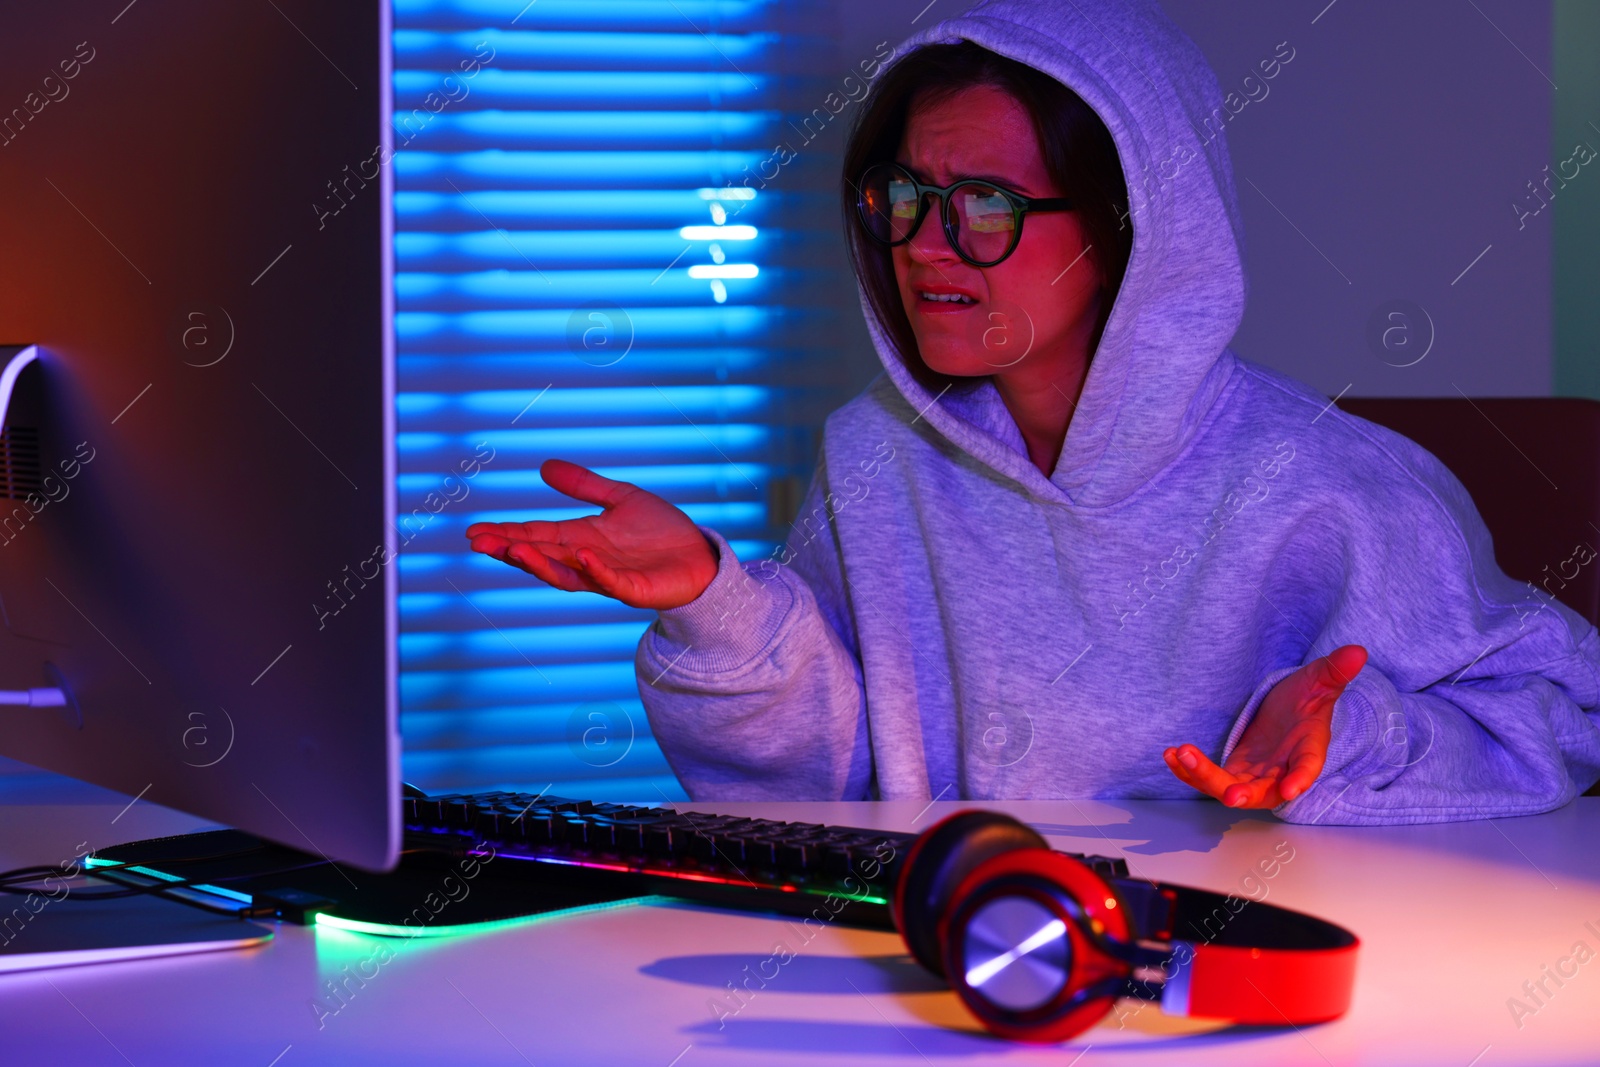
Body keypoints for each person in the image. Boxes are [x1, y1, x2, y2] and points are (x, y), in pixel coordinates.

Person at [466, 0, 1600, 822]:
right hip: (951, 982)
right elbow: (827, 788)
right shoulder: (872, 458)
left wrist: (1351, 740)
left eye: (987, 205)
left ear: (1134, 226)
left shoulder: (1335, 488)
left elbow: (1558, 718)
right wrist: (713, 599)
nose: (923, 244)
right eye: (905, 196)